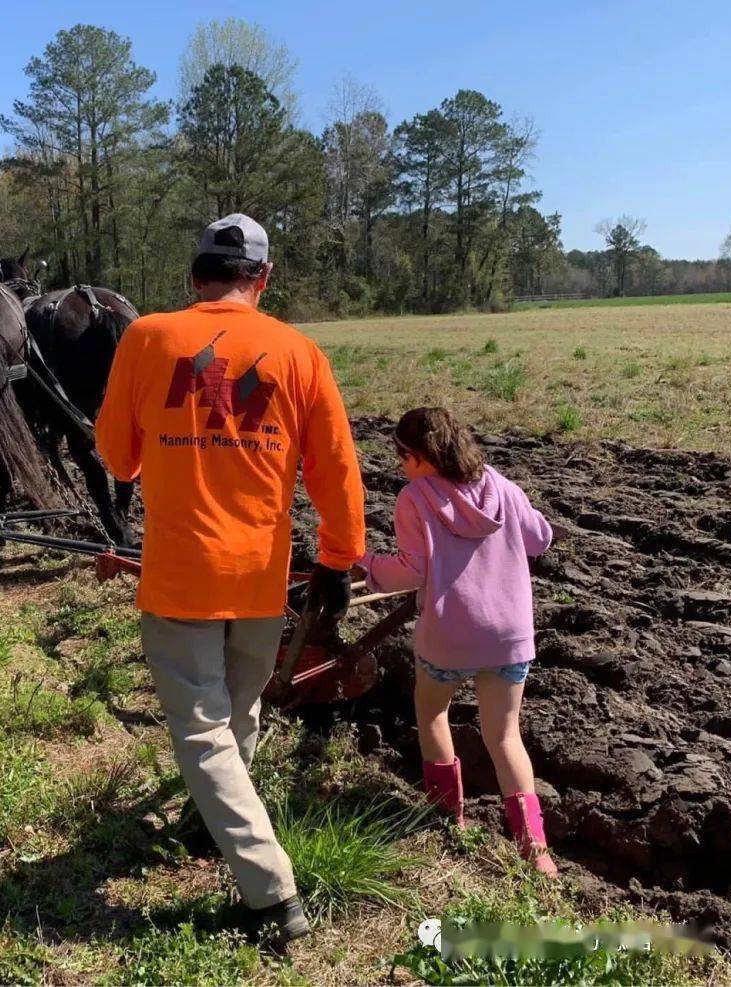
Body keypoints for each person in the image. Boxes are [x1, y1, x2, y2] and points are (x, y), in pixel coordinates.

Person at [96, 213, 365, 943]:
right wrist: (338, 559)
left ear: (194, 276)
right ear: (263, 279)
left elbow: (119, 459)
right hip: (260, 579)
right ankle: (211, 818)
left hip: (182, 576)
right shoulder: (300, 352)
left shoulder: (147, 337)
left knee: (203, 730)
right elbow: (337, 469)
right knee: (238, 715)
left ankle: (271, 892)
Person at [359, 407, 558, 876]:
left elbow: (411, 572)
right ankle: (536, 851)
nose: (401, 467)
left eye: (402, 457)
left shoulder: (414, 498)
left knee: (432, 712)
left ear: (420, 456)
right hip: (509, 636)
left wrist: (367, 564)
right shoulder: (502, 486)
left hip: (449, 635)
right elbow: (540, 539)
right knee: (504, 735)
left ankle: (446, 819)